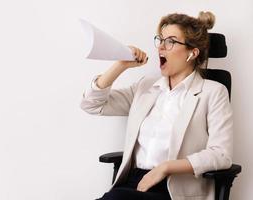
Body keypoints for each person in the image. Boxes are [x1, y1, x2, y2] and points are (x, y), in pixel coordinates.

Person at [80, 11, 233, 200]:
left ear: (192, 53)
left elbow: (221, 155)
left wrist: (166, 168)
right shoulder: (146, 87)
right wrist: (121, 65)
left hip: (175, 188)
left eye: (171, 41)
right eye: (160, 40)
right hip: (133, 182)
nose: (161, 46)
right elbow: (91, 104)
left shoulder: (213, 92)